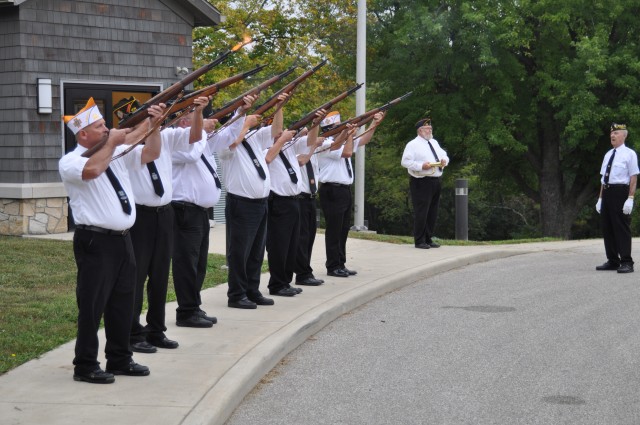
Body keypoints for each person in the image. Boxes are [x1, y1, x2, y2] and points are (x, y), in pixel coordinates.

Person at [59, 97, 164, 384]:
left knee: (123, 302)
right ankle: (85, 365)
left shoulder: (114, 152)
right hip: (95, 241)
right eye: (100, 126)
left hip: (123, 239)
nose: (107, 129)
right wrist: (113, 143)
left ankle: (119, 358)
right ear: (84, 134)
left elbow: (151, 153)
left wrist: (153, 125)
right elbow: (92, 171)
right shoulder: (71, 161)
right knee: (92, 305)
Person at [127, 96, 211, 353]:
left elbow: (195, 137)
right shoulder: (127, 145)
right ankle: (133, 332)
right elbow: (148, 152)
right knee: (137, 278)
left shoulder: (167, 136)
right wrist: (150, 124)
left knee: (160, 276)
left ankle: (156, 330)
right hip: (140, 216)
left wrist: (197, 111)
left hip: (165, 213)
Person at [170, 96, 246, 326]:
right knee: (186, 264)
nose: (206, 121)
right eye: (197, 117)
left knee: (199, 264)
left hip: (199, 212)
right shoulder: (176, 144)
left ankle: (194, 306)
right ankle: (186, 311)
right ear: (184, 122)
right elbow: (193, 153)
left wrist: (240, 113)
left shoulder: (199, 140)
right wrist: (201, 127)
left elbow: (227, 136)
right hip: (183, 210)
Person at [219, 94, 295, 306]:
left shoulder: (252, 138)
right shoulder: (226, 143)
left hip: (260, 202)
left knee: (256, 251)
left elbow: (276, 132)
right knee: (240, 252)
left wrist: (279, 106)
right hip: (241, 203)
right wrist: (243, 124)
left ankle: (252, 290)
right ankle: (236, 294)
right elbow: (232, 142)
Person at [317, 111, 385, 277]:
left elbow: (363, 140)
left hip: (344, 189)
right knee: (334, 229)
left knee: (343, 229)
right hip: (331, 189)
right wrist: (348, 135)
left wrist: (374, 124)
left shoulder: (342, 141)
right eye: (336, 127)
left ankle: (341, 262)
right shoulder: (325, 144)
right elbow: (347, 152)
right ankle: (332, 266)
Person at [595, 123, 638, 273]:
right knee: (607, 227)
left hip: (620, 192)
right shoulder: (608, 154)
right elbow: (603, 179)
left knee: (621, 227)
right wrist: (600, 198)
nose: (612, 135)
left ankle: (627, 261)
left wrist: (630, 198)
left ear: (624, 136)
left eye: (616, 133)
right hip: (607, 192)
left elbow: (633, 177)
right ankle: (613, 260)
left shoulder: (629, 154)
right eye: (611, 133)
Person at [401, 117, 449, 250]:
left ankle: (428, 237)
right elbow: (405, 162)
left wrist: (444, 160)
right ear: (420, 130)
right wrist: (421, 166)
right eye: (427, 128)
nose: (430, 130)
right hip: (421, 181)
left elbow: (444, 155)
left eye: (431, 128)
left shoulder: (433, 142)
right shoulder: (412, 145)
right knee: (422, 211)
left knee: (432, 211)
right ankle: (419, 240)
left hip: (435, 179)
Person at [293, 115, 326, 287]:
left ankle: (306, 270)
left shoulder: (310, 149)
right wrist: (313, 145)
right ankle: (302, 273)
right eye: (305, 134)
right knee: (302, 237)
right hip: (300, 198)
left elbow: (335, 146)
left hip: (310, 198)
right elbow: (301, 160)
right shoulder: (297, 149)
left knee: (310, 236)